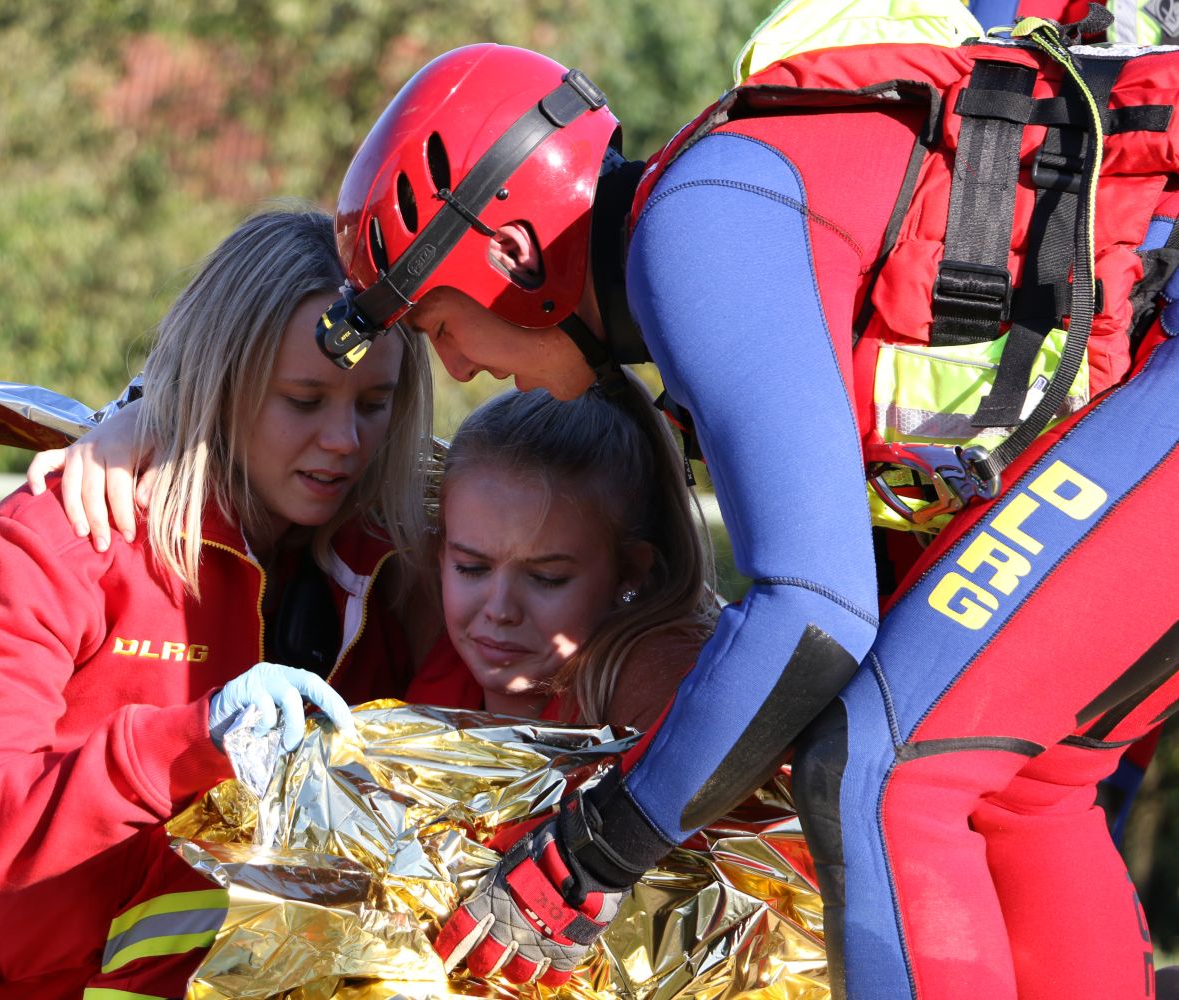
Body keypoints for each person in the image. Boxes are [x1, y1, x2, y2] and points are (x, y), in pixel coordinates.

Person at [311, 23, 1179, 999]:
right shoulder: (722, 227)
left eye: (439, 324)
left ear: (511, 255)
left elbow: (812, 611)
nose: (460, 367)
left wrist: (590, 853)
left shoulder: (694, 226)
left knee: (883, 765)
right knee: (1024, 787)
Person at [0, 209, 435, 999]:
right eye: (303, 400)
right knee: (211, 858)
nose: (345, 439)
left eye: (374, 403)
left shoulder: (388, 559)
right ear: (218, 384)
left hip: (137, 935)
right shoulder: (62, 538)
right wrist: (195, 740)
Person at [406, 375, 718, 729]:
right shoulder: (418, 642)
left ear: (629, 572)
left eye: (546, 578)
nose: (500, 610)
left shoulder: (664, 692)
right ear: (440, 555)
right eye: (471, 567)